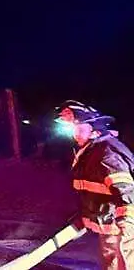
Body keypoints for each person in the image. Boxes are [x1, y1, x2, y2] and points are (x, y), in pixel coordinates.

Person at [55, 100, 134, 269]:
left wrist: (127, 223)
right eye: (73, 129)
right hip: (110, 225)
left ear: (95, 131)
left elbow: (126, 190)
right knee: (112, 263)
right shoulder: (90, 152)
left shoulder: (106, 154)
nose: (75, 134)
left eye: (79, 128)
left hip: (121, 227)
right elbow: (91, 190)